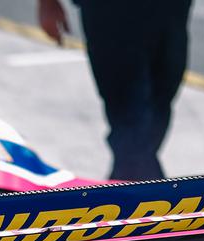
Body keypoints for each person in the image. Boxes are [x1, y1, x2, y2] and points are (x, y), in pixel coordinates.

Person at [38, 0, 193, 181]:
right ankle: (151, 198)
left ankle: (118, 193)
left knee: (156, 115)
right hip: (111, 12)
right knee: (132, 125)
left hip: (171, 10)